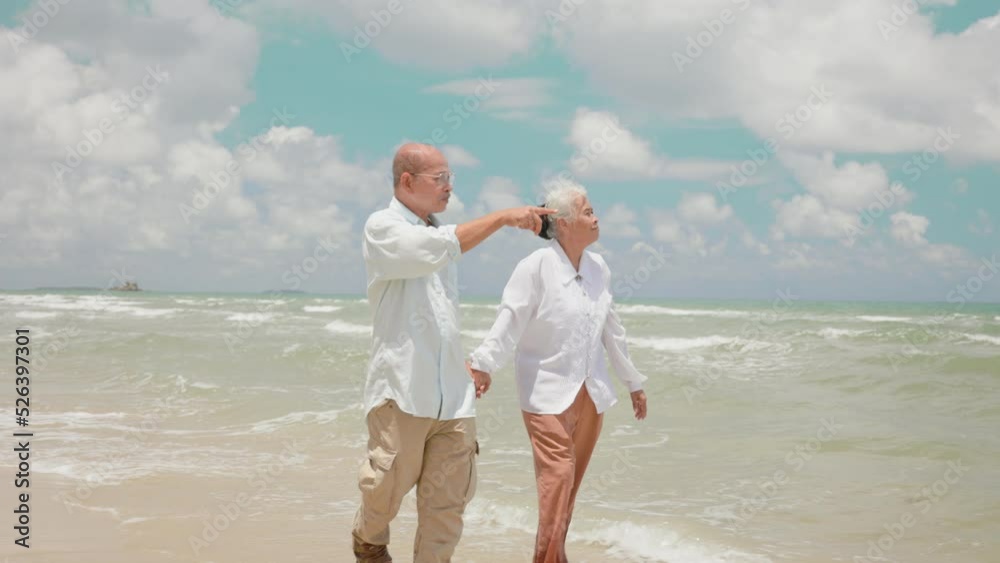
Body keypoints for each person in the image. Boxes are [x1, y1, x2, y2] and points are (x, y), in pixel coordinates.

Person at [353, 142, 556, 563]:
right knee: (384, 494)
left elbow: (440, 314)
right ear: (407, 181)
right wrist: (503, 217)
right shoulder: (383, 227)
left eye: (451, 177)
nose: (449, 186)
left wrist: (468, 364)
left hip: (454, 399)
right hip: (402, 392)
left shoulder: (440, 234)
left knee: (446, 508)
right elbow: (436, 249)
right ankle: (368, 543)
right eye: (440, 178)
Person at [467, 184, 648, 563]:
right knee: (559, 477)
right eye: (588, 212)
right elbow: (510, 319)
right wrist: (483, 363)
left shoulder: (599, 269)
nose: (596, 218)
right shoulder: (535, 267)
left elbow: (612, 329)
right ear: (563, 223)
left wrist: (633, 382)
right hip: (545, 394)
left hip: (591, 395)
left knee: (568, 490)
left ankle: (556, 554)